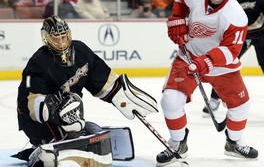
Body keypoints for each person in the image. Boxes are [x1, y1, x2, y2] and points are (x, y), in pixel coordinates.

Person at [16, 15, 158, 165]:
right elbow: (31, 102)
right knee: (67, 131)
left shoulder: (81, 51)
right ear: (46, 39)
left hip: (69, 115)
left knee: (89, 130)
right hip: (36, 120)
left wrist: (121, 96)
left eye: (63, 37)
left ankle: (71, 134)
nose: (61, 42)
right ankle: (41, 149)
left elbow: (101, 78)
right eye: (55, 38)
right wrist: (57, 113)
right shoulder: (38, 62)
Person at [156, 0, 258, 166]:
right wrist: (177, 18)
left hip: (220, 65)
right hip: (188, 56)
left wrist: (206, 62)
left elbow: (231, 50)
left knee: (241, 105)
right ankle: (177, 143)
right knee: (170, 100)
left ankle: (234, 143)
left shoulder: (236, 15)